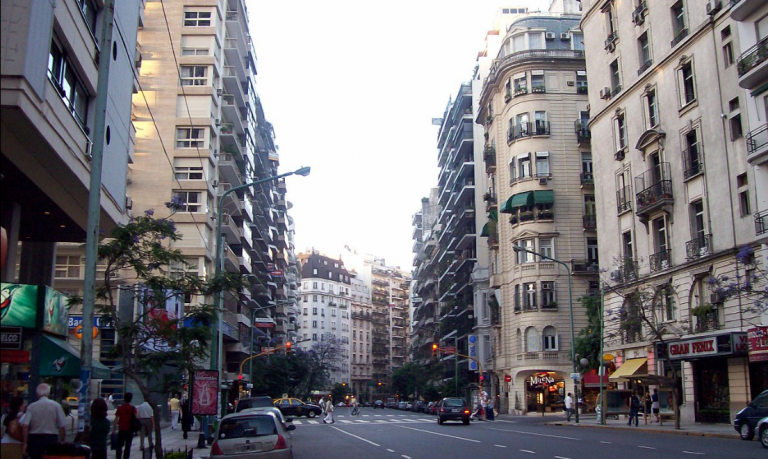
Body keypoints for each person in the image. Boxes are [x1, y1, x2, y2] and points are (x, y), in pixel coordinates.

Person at [20, 383, 67, 459]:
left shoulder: (32, 406)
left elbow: (25, 425)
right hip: (51, 439)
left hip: (34, 439)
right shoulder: (56, 405)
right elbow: (62, 426)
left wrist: (25, 442)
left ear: (37, 394)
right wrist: (62, 441)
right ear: (48, 393)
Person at [113, 392, 137, 459]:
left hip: (122, 429)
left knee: (119, 445)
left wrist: (114, 429)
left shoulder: (120, 408)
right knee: (128, 446)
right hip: (130, 429)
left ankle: (118, 457)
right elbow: (136, 417)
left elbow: (116, 419)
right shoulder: (133, 408)